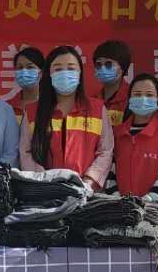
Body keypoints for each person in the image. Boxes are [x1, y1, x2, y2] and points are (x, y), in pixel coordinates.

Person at [20, 45, 114, 190]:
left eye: (71, 68)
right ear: (49, 74)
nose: (65, 73)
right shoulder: (33, 111)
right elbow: (26, 151)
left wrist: (88, 182)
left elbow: (105, 151)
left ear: (80, 73)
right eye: (58, 69)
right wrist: (43, 182)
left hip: (86, 193)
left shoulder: (97, 109)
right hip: (44, 193)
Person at [106, 73, 158, 212]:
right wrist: (120, 206)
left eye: (149, 95)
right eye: (137, 94)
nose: (143, 99)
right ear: (129, 99)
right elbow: (110, 176)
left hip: (156, 215)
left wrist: (143, 207)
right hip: (120, 214)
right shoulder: (117, 134)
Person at [92, 39, 133, 126]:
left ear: (122, 68)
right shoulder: (92, 101)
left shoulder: (132, 98)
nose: (102, 68)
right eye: (98, 64)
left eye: (108, 64)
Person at [10, 45, 46, 126]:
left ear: (41, 73)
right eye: (20, 67)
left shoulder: (50, 107)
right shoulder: (7, 107)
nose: (24, 71)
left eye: (30, 67)